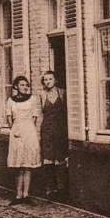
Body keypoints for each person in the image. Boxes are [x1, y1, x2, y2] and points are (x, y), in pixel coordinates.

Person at [5, 75, 42, 205]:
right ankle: (18, 195)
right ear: (16, 86)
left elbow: (35, 118)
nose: (25, 87)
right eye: (22, 85)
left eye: (27, 85)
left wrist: (29, 130)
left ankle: (26, 194)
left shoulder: (33, 99)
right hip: (16, 132)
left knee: (27, 165)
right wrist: (14, 130)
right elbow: (9, 118)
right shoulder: (11, 101)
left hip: (29, 131)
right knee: (18, 165)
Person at [38, 71, 69, 200]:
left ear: (55, 80)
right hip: (47, 131)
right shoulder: (41, 95)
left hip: (60, 131)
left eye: (50, 79)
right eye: (45, 80)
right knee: (48, 160)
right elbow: (40, 115)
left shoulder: (62, 93)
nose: (48, 81)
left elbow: (67, 112)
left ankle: (61, 188)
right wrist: (38, 133)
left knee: (60, 159)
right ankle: (50, 189)